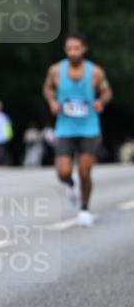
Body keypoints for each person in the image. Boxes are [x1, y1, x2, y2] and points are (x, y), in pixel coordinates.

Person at [42, 33, 112, 226]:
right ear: (65, 50)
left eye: (76, 48)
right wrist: (52, 101)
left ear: (84, 49)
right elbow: (48, 88)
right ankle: (71, 184)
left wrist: (100, 102)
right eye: (69, 48)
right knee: (63, 172)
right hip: (65, 127)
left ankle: (84, 208)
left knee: (85, 171)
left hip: (89, 127)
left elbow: (106, 91)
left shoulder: (95, 72)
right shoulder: (56, 70)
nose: (73, 52)